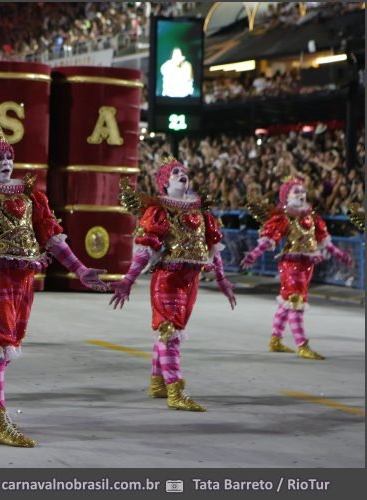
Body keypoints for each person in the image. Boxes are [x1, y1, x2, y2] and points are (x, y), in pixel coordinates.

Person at [0, 127, 109, 447]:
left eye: (9, 156)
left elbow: (52, 239)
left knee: (8, 346)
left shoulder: (30, 196)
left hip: (24, 279)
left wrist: (80, 270)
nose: (6, 162)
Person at [111, 157, 237, 412]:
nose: (183, 175)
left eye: (184, 172)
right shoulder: (160, 210)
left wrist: (222, 280)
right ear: (164, 183)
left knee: (171, 331)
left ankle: (158, 382)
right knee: (170, 332)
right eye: (175, 172)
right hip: (167, 277)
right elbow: (145, 250)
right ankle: (175, 390)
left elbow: (214, 248)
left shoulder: (201, 211)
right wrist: (128, 280)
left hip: (191, 280)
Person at [241, 177, 352, 359]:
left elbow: (324, 241)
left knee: (287, 301)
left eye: (302, 191)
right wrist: (254, 254)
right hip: (291, 265)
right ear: (286, 196)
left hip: (308, 264)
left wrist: (340, 254)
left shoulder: (311, 217)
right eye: (296, 191)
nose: (301, 194)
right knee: (296, 301)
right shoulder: (284, 217)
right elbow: (269, 239)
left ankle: (275, 340)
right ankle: (302, 345)